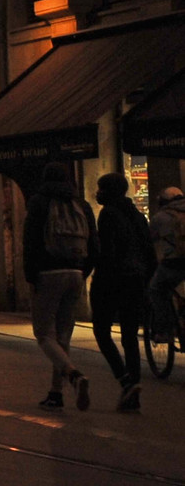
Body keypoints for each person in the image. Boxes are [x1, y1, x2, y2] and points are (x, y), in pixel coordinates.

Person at [24, 162, 99, 411]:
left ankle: (73, 375)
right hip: (75, 273)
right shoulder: (82, 204)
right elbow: (94, 245)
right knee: (63, 335)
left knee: (44, 334)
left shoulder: (39, 202)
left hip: (47, 273)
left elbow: (31, 240)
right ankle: (56, 393)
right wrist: (82, 270)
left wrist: (31, 276)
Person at [91, 172, 153, 412]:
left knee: (101, 330)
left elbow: (107, 252)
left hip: (113, 280)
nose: (98, 193)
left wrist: (99, 278)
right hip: (136, 281)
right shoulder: (138, 216)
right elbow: (149, 252)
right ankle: (133, 391)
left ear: (108, 191)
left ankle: (125, 381)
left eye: (101, 189)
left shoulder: (108, 215)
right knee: (129, 338)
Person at [147, 185, 185, 347]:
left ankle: (165, 330)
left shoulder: (161, 217)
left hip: (175, 263)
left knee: (156, 290)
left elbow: (149, 242)